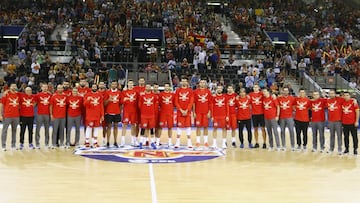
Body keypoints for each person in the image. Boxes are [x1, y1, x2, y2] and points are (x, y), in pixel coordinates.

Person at [174, 77, 194, 148]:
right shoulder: (178, 90)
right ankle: (177, 142)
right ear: (181, 82)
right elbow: (176, 101)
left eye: (185, 81)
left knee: (188, 126)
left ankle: (189, 142)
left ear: (187, 82)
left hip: (187, 112)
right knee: (179, 127)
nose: (184, 82)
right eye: (183, 81)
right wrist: (181, 110)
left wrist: (187, 110)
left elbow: (191, 101)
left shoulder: (190, 91)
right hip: (180, 112)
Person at [0, 83, 20, 151]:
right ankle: (3, 146)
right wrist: (0, 114)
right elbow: (1, 105)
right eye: (13, 86)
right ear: (10, 87)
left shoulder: (18, 95)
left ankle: (13, 145)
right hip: (7, 115)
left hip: (16, 116)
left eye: (15, 86)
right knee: (4, 131)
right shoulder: (6, 95)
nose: (14, 87)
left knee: (14, 131)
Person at [138, 83, 158, 149]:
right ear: (145, 88)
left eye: (149, 86)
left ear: (150, 88)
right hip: (144, 115)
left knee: (152, 129)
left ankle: (152, 142)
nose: (148, 88)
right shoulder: (142, 96)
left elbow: (155, 105)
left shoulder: (154, 96)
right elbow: (139, 105)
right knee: (143, 129)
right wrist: (143, 111)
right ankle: (141, 142)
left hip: (151, 115)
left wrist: (153, 112)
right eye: (147, 87)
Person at [193, 79, 212, 147]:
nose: (202, 83)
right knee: (198, 127)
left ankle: (205, 141)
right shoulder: (195, 92)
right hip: (198, 112)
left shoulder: (208, 92)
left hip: (206, 112)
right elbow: (194, 103)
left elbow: (210, 103)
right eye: (201, 82)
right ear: (199, 84)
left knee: (205, 127)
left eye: (204, 82)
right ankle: (198, 141)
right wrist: (194, 112)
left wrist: (209, 112)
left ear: (206, 84)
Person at [104, 81, 122, 148]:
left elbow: (121, 103)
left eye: (115, 84)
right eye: (113, 84)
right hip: (109, 112)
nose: (114, 85)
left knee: (116, 127)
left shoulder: (119, 92)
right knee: (108, 127)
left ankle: (115, 141)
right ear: (110, 85)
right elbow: (104, 104)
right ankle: (108, 142)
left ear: (117, 85)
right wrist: (109, 100)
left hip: (117, 112)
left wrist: (119, 111)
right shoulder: (107, 92)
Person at [325, 89, 344, 154]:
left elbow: (348, 99)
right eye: (330, 93)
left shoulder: (340, 99)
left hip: (338, 121)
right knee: (332, 135)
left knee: (339, 135)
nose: (331, 94)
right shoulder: (328, 101)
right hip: (331, 121)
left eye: (332, 93)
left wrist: (354, 100)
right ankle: (331, 149)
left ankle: (340, 149)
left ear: (335, 94)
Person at [121, 79, 139, 146]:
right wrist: (125, 100)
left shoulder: (136, 92)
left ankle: (133, 141)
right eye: (129, 83)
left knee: (133, 125)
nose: (131, 85)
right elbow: (121, 101)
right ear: (127, 84)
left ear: (133, 84)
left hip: (134, 111)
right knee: (124, 125)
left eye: (132, 83)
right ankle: (122, 141)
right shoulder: (124, 92)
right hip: (126, 111)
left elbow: (138, 102)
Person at [249, 84, 266, 148]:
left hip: (261, 114)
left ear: (259, 88)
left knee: (263, 129)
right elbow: (249, 103)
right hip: (254, 114)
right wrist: (252, 109)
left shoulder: (262, 94)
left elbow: (268, 96)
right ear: (253, 88)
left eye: (256, 87)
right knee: (255, 129)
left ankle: (264, 143)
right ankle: (257, 142)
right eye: (254, 87)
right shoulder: (250, 94)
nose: (255, 88)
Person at [35, 83, 52, 148]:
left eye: (46, 87)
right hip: (40, 114)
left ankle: (46, 143)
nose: (45, 88)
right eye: (43, 87)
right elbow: (34, 103)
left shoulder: (50, 95)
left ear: (47, 88)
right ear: (41, 88)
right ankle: (37, 143)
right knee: (38, 129)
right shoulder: (38, 95)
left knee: (47, 129)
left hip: (47, 114)